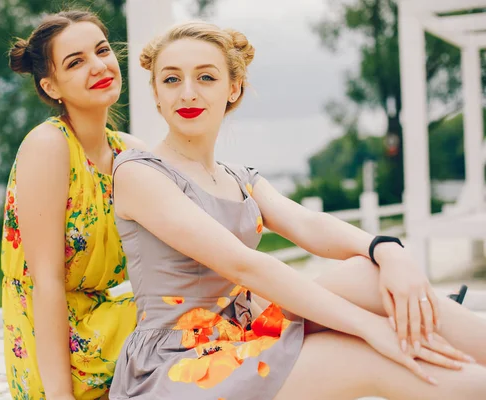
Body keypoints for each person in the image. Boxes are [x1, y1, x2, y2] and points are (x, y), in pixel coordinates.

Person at [108, 21, 486, 399]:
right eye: (171, 80)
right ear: (156, 94)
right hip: (179, 360)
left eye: (206, 77)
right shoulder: (139, 173)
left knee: (365, 272)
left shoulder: (239, 178)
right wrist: (370, 326)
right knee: (369, 355)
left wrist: (388, 250)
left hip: (244, 333)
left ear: (233, 87)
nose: (187, 93)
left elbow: (309, 225)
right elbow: (246, 265)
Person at [1, 9, 145, 400]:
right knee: (184, 309)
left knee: (213, 300)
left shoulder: (129, 151)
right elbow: (45, 283)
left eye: (102, 51)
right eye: (76, 62)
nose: (98, 66)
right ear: (51, 86)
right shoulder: (48, 146)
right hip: (54, 351)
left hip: (104, 323)